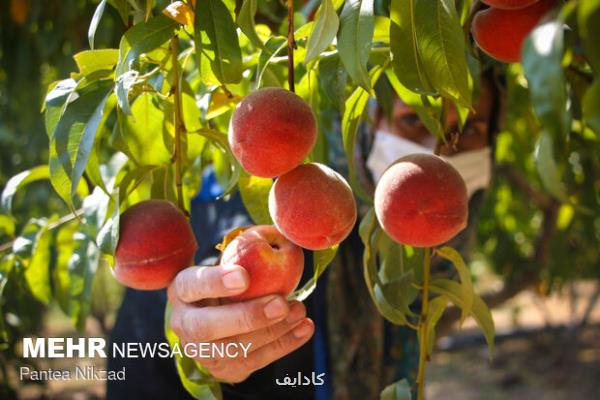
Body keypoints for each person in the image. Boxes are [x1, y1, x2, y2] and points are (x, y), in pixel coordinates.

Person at [106, 72, 500, 399]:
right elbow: (218, 271)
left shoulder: (428, 260)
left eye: (472, 128)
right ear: (366, 124)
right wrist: (212, 323)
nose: (443, 148)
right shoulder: (298, 217)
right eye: (415, 120)